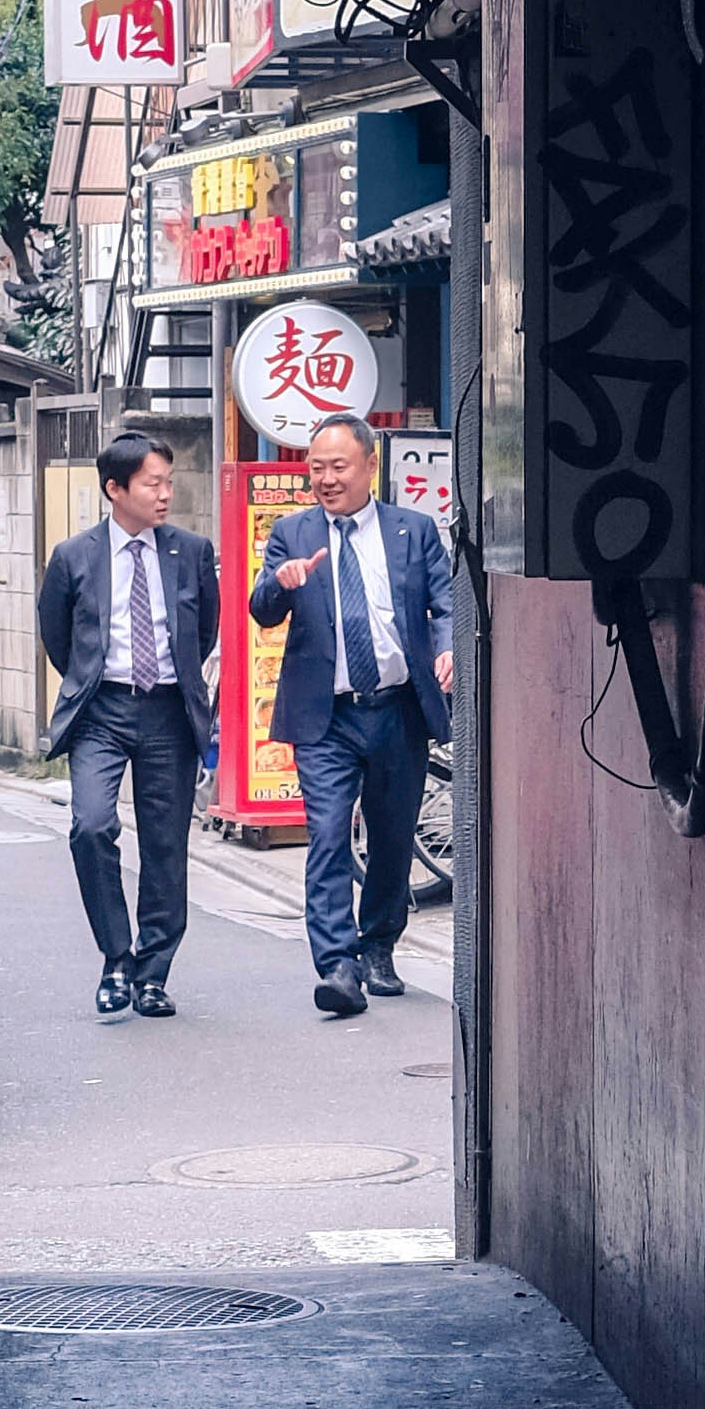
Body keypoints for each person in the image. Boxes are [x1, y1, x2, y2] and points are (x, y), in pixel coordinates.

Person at [251, 411, 456, 1019]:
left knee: (393, 837)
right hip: (326, 716)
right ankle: (336, 964)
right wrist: (282, 584)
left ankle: (378, 947)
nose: (327, 479)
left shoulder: (414, 531)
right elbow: (263, 611)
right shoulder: (292, 532)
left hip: (398, 710)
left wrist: (447, 646)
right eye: (316, 468)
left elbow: (444, 604)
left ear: (371, 466)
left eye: (339, 466)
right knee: (330, 835)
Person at [35, 429, 220, 1021]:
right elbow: (58, 638)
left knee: (166, 845)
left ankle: (152, 973)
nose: (165, 494)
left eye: (169, 482)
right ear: (116, 489)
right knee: (91, 826)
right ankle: (116, 957)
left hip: (168, 709)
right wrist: (98, 679)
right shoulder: (74, 556)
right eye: (152, 484)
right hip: (102, 711)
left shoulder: (190, 551)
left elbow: (205, 629)